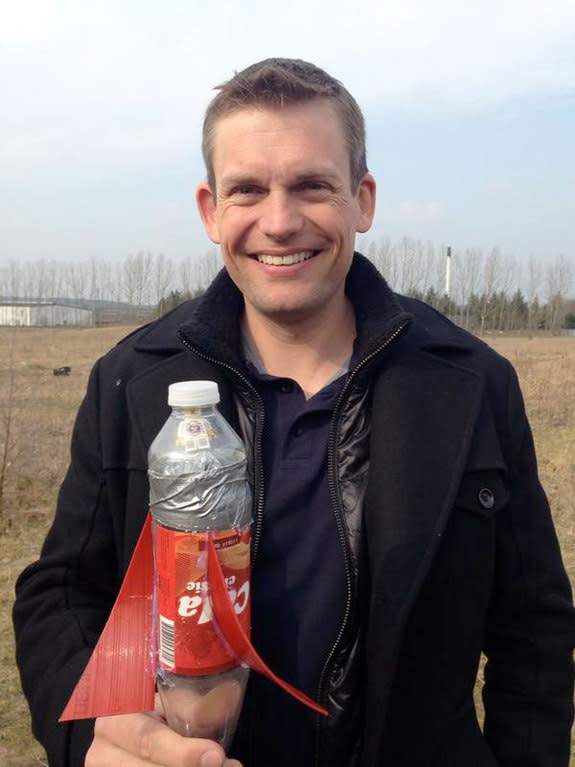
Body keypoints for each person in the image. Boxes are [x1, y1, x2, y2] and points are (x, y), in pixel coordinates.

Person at [13, 58, 574, 767]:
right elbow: (59, 592)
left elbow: (533, 629)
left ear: (362, 200)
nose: (278, 222)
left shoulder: (470, 384)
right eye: (247, 189)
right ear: (210, 209)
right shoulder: (133, 380)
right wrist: (88, 733)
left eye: (311, 185)